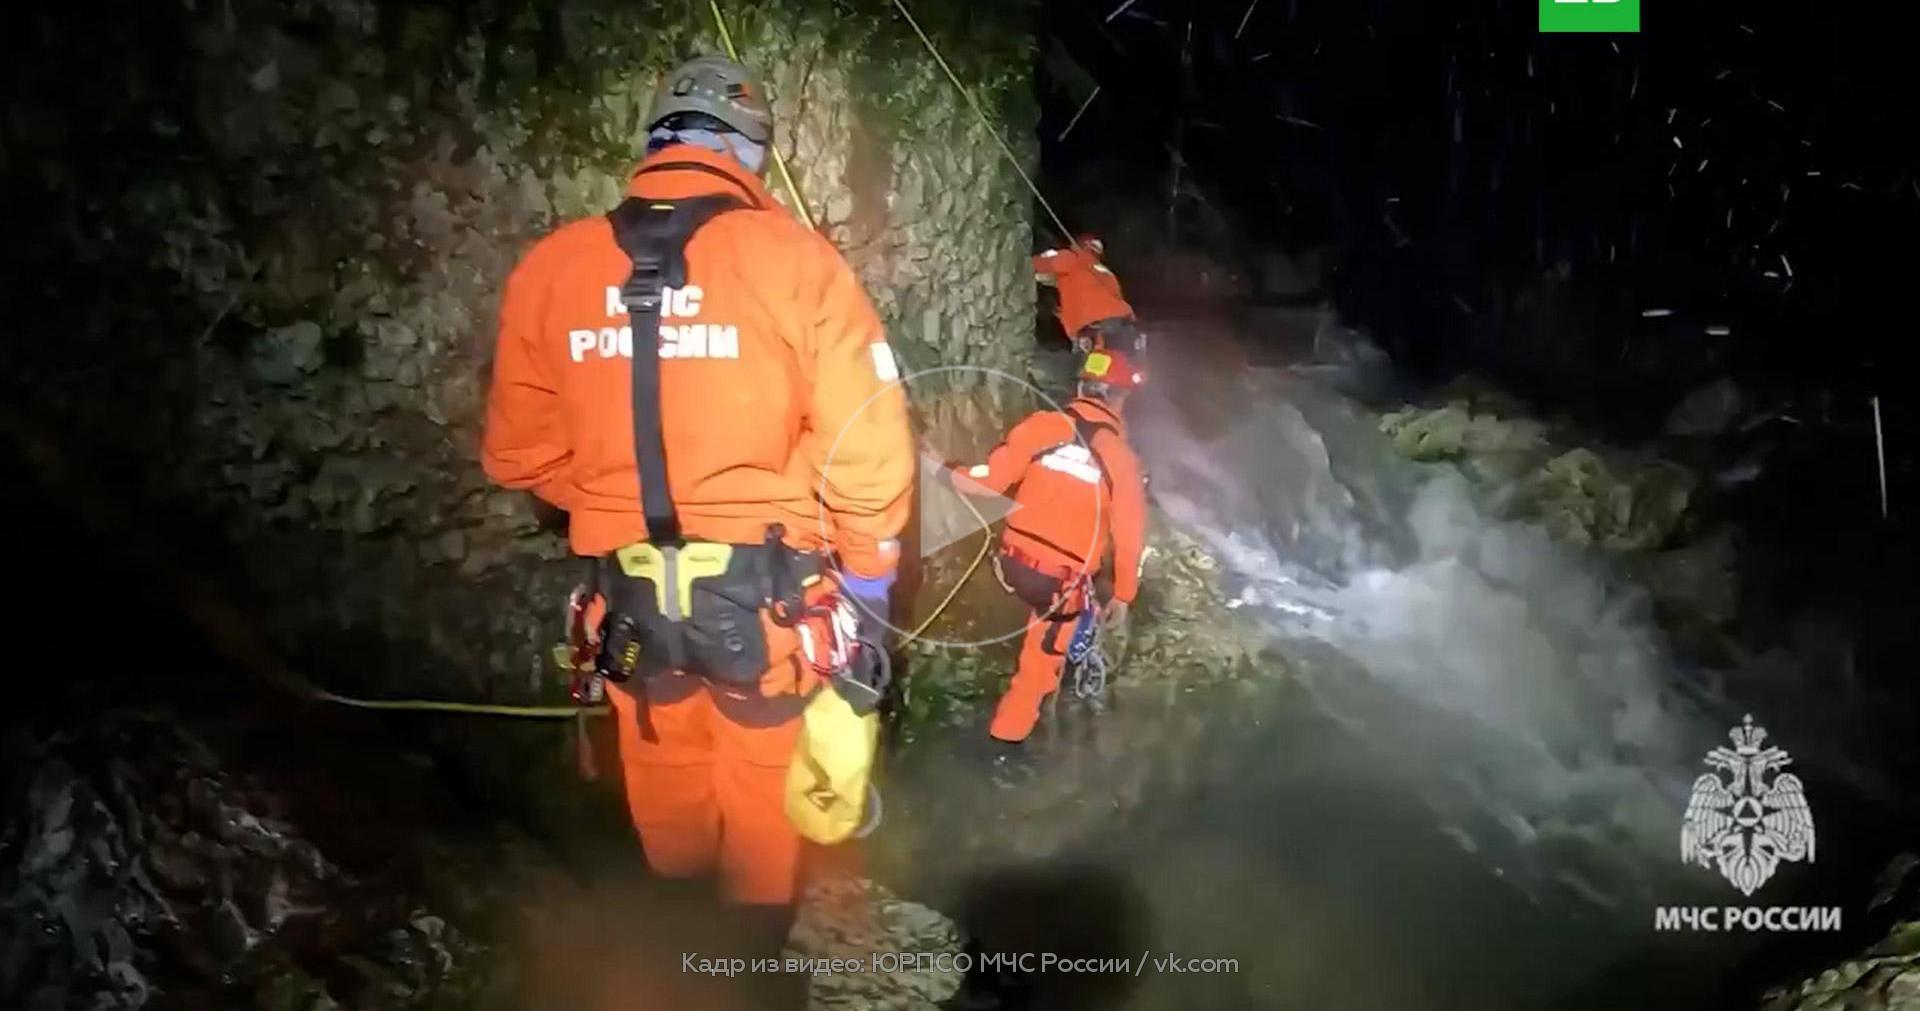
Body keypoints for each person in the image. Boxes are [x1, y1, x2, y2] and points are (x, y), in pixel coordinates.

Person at [480, 53, 913, 962]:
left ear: (653, 143)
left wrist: (614, 506)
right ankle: (747, 963)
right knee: (761, 776)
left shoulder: (551, 267)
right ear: (749, 152)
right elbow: (869, 458)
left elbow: (521, 456)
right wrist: (867, 588)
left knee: (661, 758)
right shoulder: (797, 263)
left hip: (628, 600)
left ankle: (677, 948)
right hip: (766, 598)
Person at [947, 349, 1148, 744]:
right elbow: (1130, 538)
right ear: (1120, 399)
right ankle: (1008, 740)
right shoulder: (1122, 460)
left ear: (1081, 388)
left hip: (1012, 568)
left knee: (1044, 602)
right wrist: (1124, 595)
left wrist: (948, 472)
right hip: (1058, 586)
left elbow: (989, 481)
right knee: (1038, 668)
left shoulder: (1041, 427)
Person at [1032, 234, 1147, 356]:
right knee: (1120, 364)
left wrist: (1045, 257)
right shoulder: (1105, 273)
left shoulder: (1072, 258)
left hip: (1096, 329)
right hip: (1124, 324)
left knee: (1097, 364)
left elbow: (1035, 265)